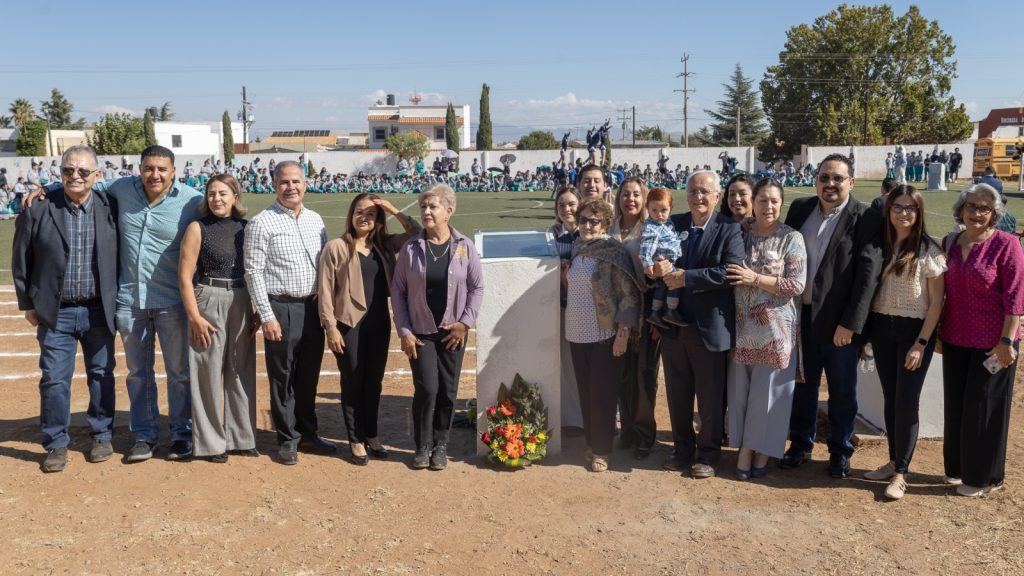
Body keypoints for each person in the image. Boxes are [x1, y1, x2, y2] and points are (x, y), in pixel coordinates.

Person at [12, 145, 119, 472]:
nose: (75, 176)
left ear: (96, 176)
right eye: (68, 171)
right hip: (55, 312)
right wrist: (28, 303)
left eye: (83, 171)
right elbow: (21, 258)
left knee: (101, 375)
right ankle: (56, 442)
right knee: (55, 380)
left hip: (99, 309)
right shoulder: (39, 208)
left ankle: (101, 434)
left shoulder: (110, 207)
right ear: (60, 174)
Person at [781, 153, 882, 478]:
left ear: (851, 182)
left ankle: (840, 451)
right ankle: (800, 445)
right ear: (816, 180)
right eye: (824, 177)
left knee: (841, 391)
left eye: (838, 178)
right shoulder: (800, 210)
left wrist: (851, 325)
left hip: (840, 325)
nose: (830, 184)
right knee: (802, 387)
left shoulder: (865, 217)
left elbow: (868, 277)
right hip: (801, 318)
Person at [652, 170, 745, 479]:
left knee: (709, 398)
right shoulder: (673, 224)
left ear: (717, 196)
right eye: (693, 191)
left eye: (705, 191)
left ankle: (708, 454)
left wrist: (685, 278)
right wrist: (657, 265)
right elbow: (655, 254)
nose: (698, 197)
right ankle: (681, 449)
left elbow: (729, 272)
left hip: (709, 328)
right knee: (677, 394)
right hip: (673, 326)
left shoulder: (730, 229)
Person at [318, 193, 420, 465]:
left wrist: (391, 208)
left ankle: (372, 435)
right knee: (352, 381)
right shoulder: (337, 247)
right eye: (359, 212)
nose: (364, 218)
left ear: (378, 220)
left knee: (373, 382)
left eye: (371, 214)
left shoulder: (385, 246)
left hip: (378, 322)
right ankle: (355, 439)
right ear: (351, 216)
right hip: (348, 324)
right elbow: (325, 291)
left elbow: (417, 233)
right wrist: (330, 328)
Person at [861, 185, 945, 499]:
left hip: (914, 332)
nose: (903, 213)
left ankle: (902, 473)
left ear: (919, 212)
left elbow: (937, 303)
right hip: (883, 327)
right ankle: (894, 459)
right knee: (890, 396)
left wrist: (921, 343)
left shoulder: (929, 250)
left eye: (910, 207)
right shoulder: (880, 245)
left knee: (907, 402)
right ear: (888, 209)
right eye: (898, 206)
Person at [244, 160, 331, 466]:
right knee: (283, 377)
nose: (291, 187)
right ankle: (287, 438)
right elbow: (253, 272)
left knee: (308, 376)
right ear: (274, 185)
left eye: (296, 181)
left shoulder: (316, 220)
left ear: (305, 183)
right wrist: (266, 316)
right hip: (280, 307)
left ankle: (308, 433)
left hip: (312, 308)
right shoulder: (261, 222)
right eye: (284, 182)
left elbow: (326, 266)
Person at [940, 183, 1024, 497]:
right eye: (971, 206)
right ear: (961, 209)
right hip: (955, 336)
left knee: (985, 408)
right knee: (957, 406)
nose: (977, 214)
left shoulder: (1007, 244)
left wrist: (1007, 341)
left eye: (984, 209)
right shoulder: (950, 241)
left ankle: (984, 477)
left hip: (994, 342)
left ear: (994, 214)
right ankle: (958, 468)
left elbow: (1016, 298)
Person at [392, 184, 483, 471]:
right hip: (420, 333)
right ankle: (422, 445)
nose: (427, 212)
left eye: (433, 206)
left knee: (447, 391)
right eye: (424, 207)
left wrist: (465, 323)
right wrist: (405, 331)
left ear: (449, 210)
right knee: (427, 389)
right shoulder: (411, 248)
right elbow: (398, 291)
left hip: (453, 333)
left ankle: (441, 445)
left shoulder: (464, 246)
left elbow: (476, 288)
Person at [724, 179, 806, 479]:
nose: (768, 206)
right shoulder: (740, 233)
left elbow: (796, 284)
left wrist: (754, 279)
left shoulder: (791, 238)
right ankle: (746, 446)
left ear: (781, 203)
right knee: (742, 393)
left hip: (775, 331)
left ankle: (755, 452)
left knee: (768, 395)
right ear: (753, 202)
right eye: (762, 200)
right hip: (741, 328)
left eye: (774, 201)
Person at [178, 174, 258, 463]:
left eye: (223, 193)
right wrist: (194, 316)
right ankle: (211, 443)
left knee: (240, 367)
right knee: (207, 371)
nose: (217, 199)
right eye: (211, 194)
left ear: (235, 197)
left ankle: (241, 438)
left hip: (242, 297)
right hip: (209, 297)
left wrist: (258, 309)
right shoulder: (197, 228)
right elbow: (185, 278)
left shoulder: (247, 228)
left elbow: (257, 271)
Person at [564, 196, 643, 472]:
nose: (586, 225)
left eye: (593, 221)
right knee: (586, 392)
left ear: (605, 223)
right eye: (582, 219)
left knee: (603, 394)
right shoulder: (577, 247)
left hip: (605, 333)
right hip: (576, 332)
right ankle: (591, 442)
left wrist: (623, 332)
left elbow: (628, 295)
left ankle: (602, 450)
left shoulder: (613, 251)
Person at [610, 178, 662, 460]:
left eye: (636, 194)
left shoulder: (653, 230)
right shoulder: (611, 228)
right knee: (623, 375)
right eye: (626, 194)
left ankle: (644, 433)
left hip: (644, 314)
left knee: (644, 375)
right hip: (615, 316)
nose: (630, 199)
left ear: (644, 199)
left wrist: (657, 318)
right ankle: (628, 428)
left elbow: (662, 276)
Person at [551, 186, 583, 431]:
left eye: (571, 204)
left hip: (585, 309)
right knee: (564, 364)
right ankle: (570, 418)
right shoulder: (551, 236)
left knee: (581, 364)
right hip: (560, 306)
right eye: (562, 205)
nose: (567, 209)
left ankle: (584, 417)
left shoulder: (589, 235)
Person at [641, 187, 684, 328]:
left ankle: (655, 311)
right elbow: (647, 247)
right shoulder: (651, 227)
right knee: (674, 282)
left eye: (663, 210)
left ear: (671, 208)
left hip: (666, 261)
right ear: (647, 208)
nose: (659, 214)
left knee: (661, 286)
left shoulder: (667, 223)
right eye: (654, 210)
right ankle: (671, 310)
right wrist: (647, 264)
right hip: (662, 261)